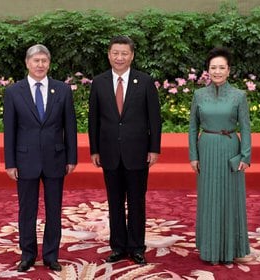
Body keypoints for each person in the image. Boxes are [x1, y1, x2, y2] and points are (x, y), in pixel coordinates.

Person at [88, 35, 162, 265]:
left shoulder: (145, 82)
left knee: (137, 201)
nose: (120, 57)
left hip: (137, 152)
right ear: (109, 55)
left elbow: (155, 119)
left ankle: (137, 247)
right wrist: (94, 150)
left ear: (132, 55)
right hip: (109, 152)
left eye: (124, 53)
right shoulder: (98, 83)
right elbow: (93, 120)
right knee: (115, 201)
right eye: (115, 53)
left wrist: (154, 149)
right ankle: (118, 246)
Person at [3, 44, 77, 272]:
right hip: (26, 160)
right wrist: (10, 162)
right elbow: (10, 130)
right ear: (27, 63)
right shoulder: (14, 92)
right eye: (36, 60)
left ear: (49, 63)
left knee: (54, 209)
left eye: (44, 60)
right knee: (27, 210)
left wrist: (72, 157)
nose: (40, 65)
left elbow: (70, 127)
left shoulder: (62, 90)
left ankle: (51, 255)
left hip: (55, 158)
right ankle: (27, 254)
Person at [188, 47, 251, 265]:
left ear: (229, 70)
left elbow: (245, 127)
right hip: (206, 148)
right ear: (207, 70)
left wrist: (245, 156)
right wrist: (193, 155)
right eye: (213, 67)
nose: (217, 71)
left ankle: (232, 248)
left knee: (230, 198)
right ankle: (209, 249)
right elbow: (193, 127)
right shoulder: (199, 95)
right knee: (208, 198)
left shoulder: (239, 95)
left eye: (221, 67)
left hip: (230, 149)